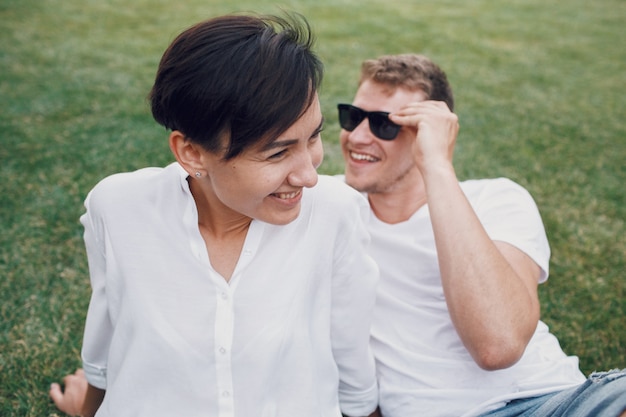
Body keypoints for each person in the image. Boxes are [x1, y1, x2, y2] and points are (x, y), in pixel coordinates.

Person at [49, 13, 380, 417]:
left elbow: (349, 346)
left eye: (313, 137)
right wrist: (89, 407)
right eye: (277, 153)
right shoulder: (117, 207)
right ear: (192, 153)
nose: (309, 175)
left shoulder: (335, 212)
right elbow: (109, 323)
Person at [337, 53, 625, 417]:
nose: (358, 137)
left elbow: (499, 343)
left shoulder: (496, 199)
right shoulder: (331, 208)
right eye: (351, 116)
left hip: (553, 401)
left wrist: (438, 168)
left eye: (384, 125)